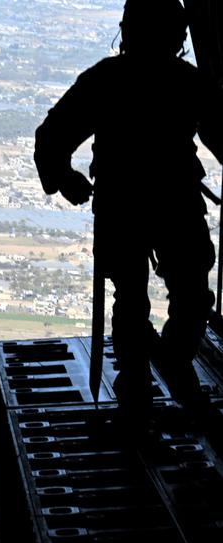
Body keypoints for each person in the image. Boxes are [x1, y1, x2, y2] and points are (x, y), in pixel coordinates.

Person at [34, 0, 223, 425]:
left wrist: (67, 179)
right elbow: (221, 135)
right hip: (172, 202)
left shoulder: (107, 80)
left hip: (125, 204)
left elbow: (52, 137)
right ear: (179, 39)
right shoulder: (188, 82)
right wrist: (64, 178)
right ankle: (164, 366)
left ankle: (140, 384)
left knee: (135, 299)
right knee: (186, 296)